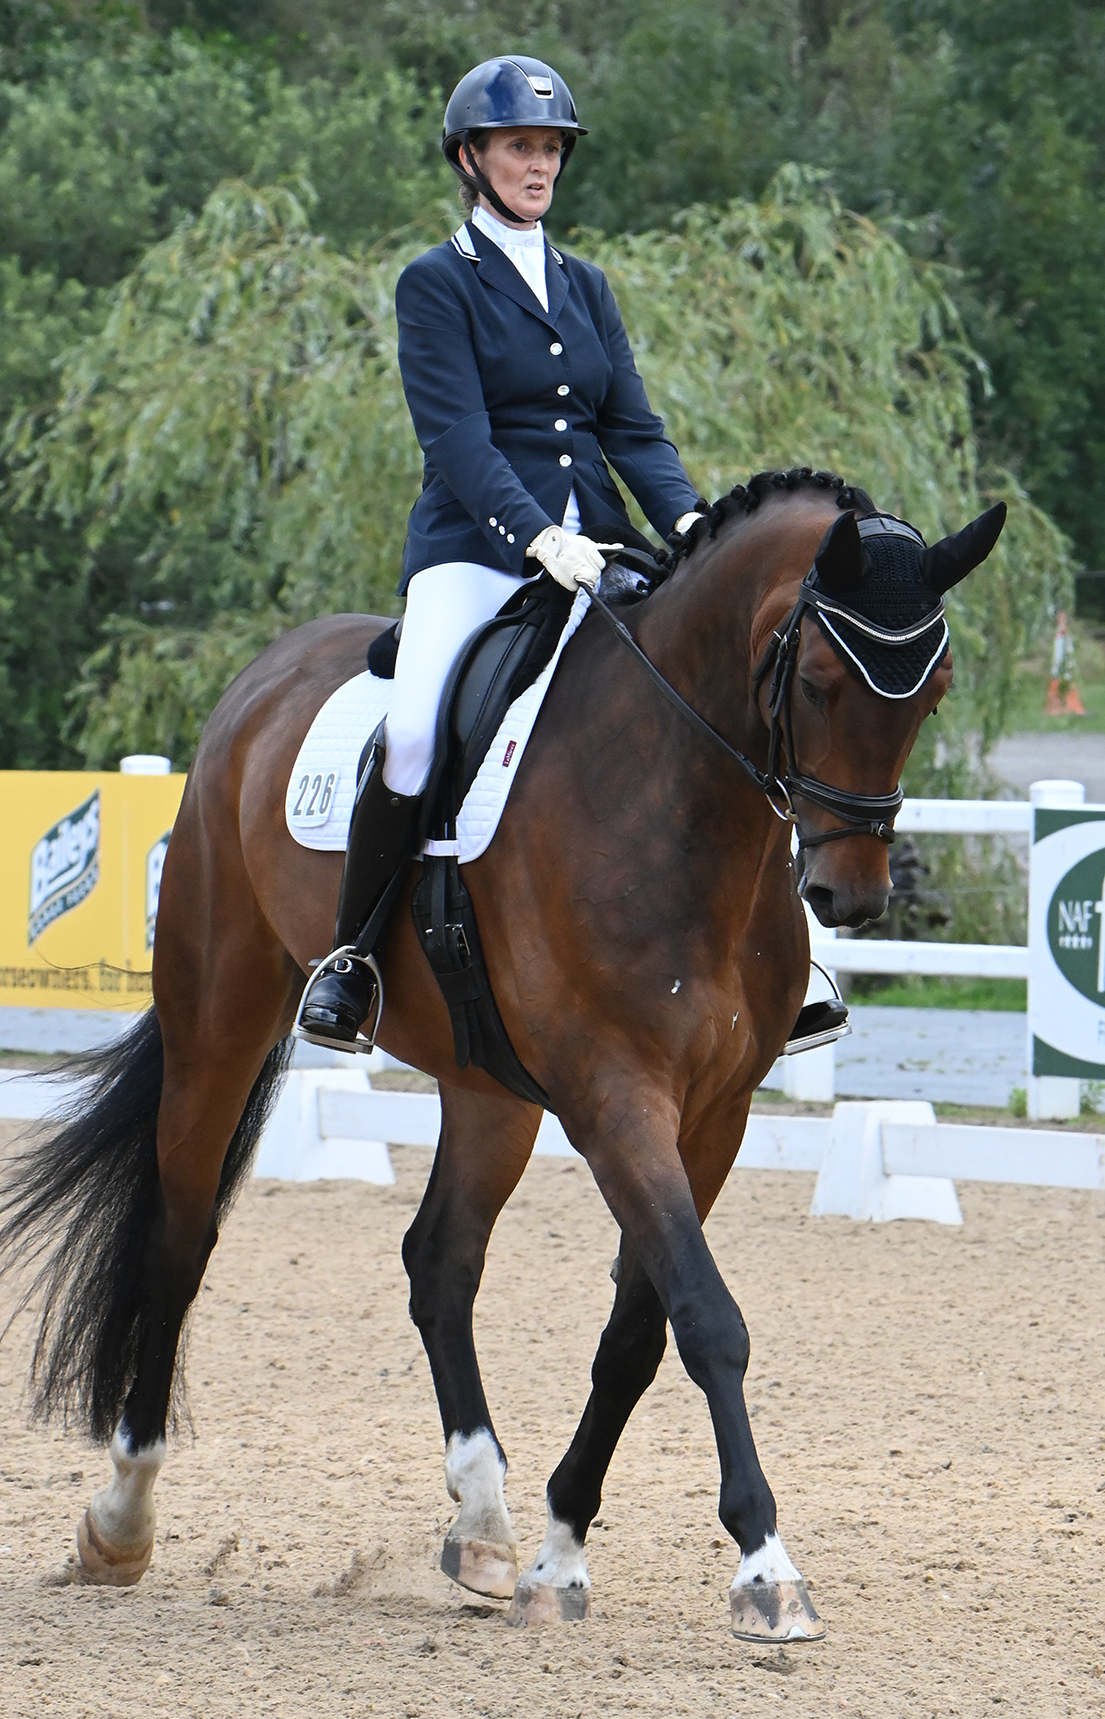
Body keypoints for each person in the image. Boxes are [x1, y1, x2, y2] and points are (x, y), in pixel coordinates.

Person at [299, 54, 704, 1048]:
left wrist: (692, 527)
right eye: (520, 146)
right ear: (471, 158)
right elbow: (457, 440)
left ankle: (768, 954)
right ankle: (350, 961)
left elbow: (632, 430)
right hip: (477, 551)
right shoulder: (436, 283)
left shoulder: (584, 284)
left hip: (600, 547)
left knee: (716, 692)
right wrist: (536, 536)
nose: (539, 164)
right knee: (413, 734)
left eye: (551, 149)